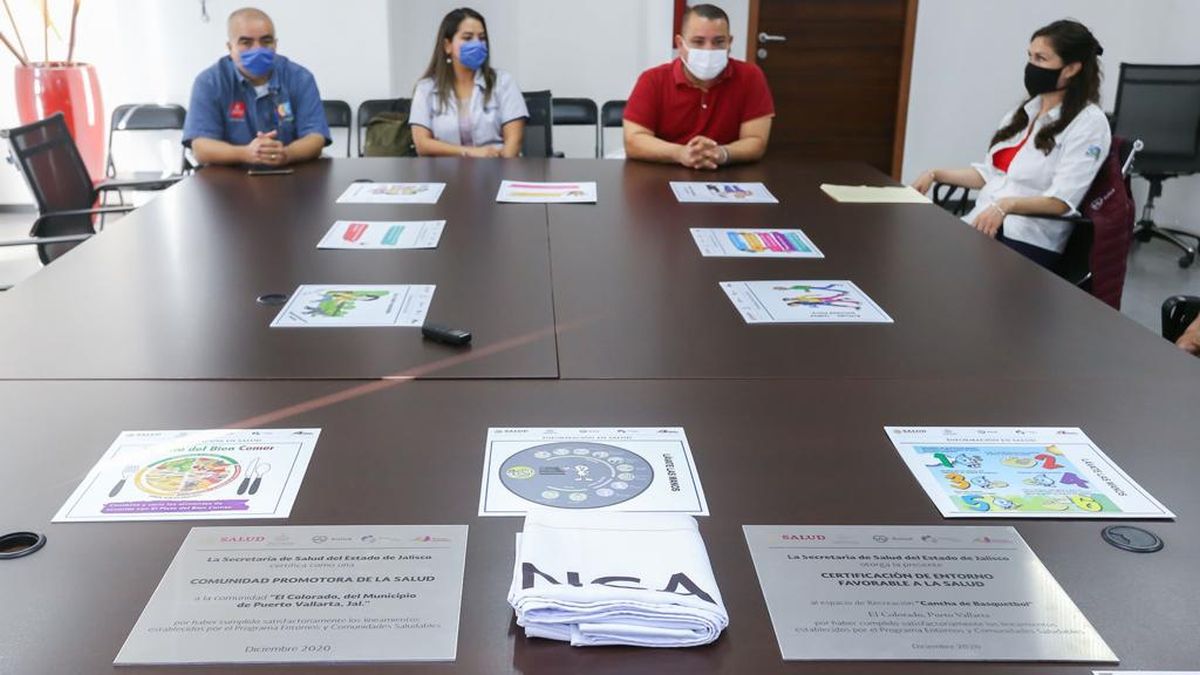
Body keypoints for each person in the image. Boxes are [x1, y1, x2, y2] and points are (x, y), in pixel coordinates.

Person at [912, 20, 1109, 270]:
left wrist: (1006, 205)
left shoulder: (1088, 123)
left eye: (1041, 58)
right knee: (916, 246)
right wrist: (934, 174)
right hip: (985, 223)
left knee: (930, 264)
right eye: (1030, 56)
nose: (1031, 66)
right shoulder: (1024, 113)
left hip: (1027, 238)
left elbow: (1061, 202)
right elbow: (991, 174)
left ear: (1071, 68)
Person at [623, 3, 774, 169]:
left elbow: (756, 141)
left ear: (729, 43)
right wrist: (680, 153)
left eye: (718, 42)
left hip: (727, 173)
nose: (709, 50)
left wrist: (722, 153)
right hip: (664, 172)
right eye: (698, 42)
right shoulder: (653, 80)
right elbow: (634, 140)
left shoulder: (750, 77)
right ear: (680, 44)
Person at [182, 7, 330, 167]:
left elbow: (316, 137)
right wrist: (245, 154)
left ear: (275, 44)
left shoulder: (300, 78)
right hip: (231, 176)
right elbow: (201, 148)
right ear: (230, 47)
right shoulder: (209, 82)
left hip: (290, 172)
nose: (257, 49)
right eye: (246, 42)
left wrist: (287, 153)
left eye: (266, 41)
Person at [409, 7, 527, 158]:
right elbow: (422, 144)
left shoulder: (503, 82)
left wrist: (501, 167)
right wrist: (470, 153)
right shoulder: (426, 88)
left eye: (482, 38)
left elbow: (514, 141)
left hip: (495, 166)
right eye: (467, 38)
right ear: (447, 46)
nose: (477, 44)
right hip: (445, 169)